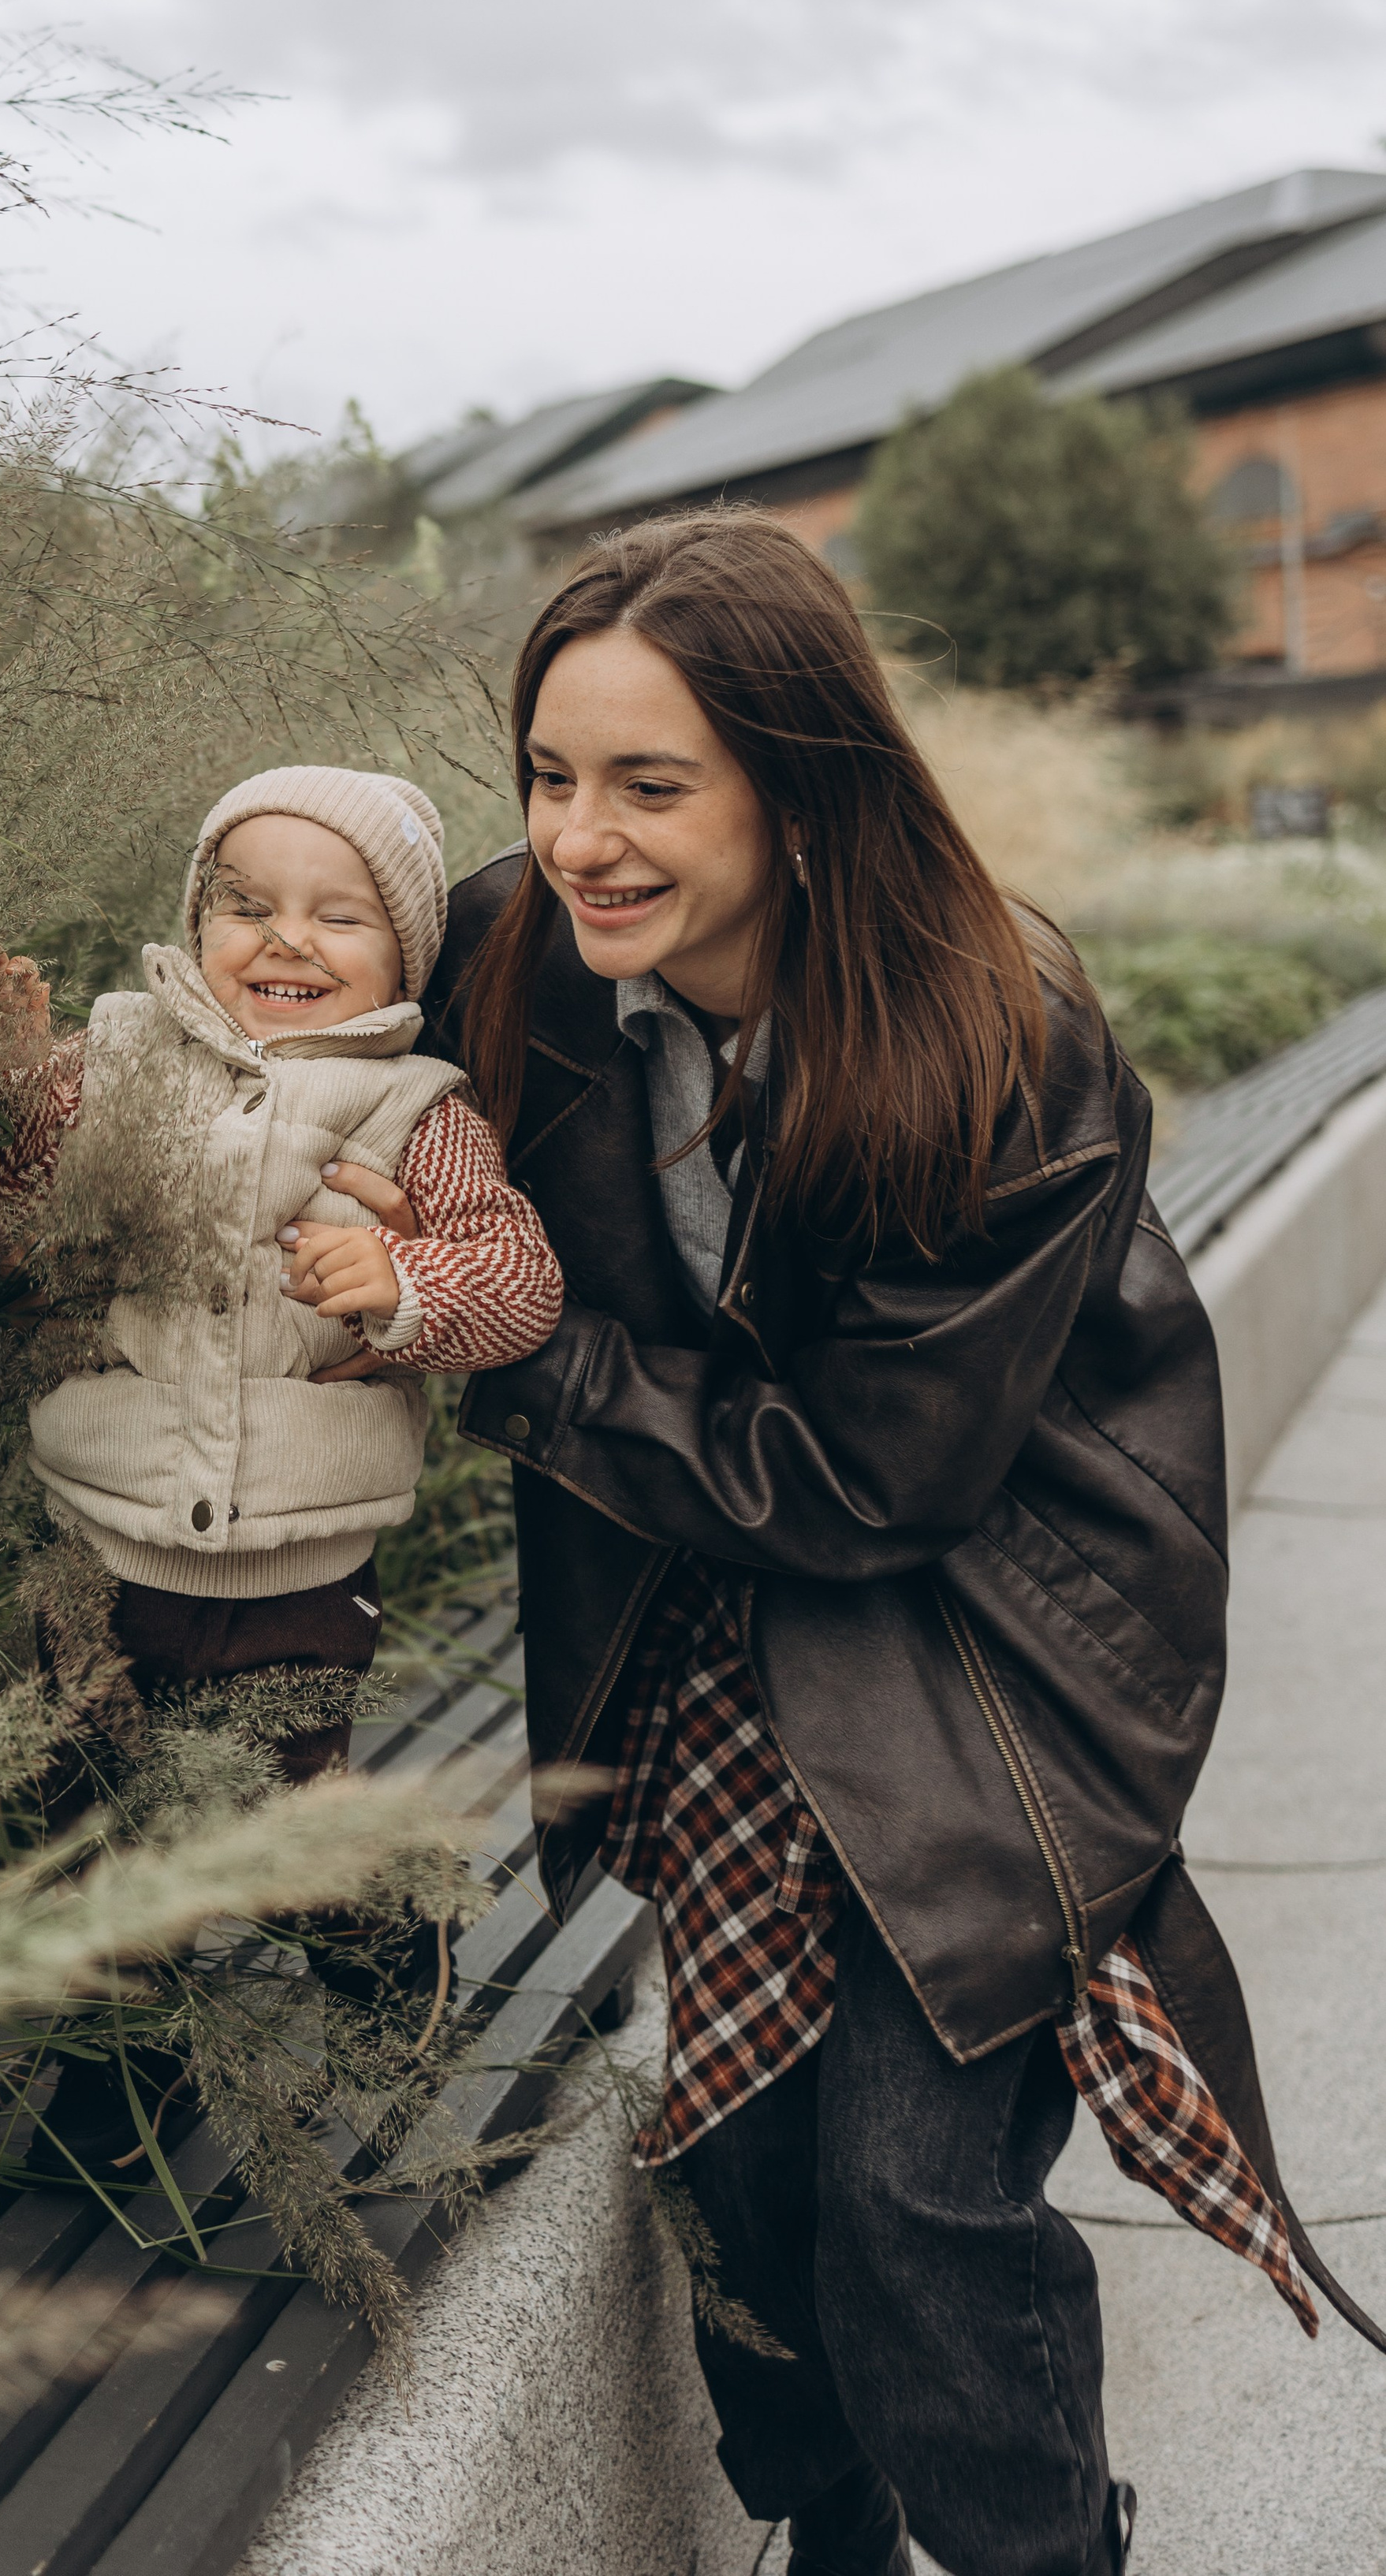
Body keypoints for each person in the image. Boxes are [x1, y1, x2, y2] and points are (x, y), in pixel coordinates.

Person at [393, 517, 1380, 2576]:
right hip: (707, 1638)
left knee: (916, 2196)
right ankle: (831, 2528)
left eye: (651, 786)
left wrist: (517, 1353)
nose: (583, 839)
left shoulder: (990, 1041)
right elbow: (296, 1049)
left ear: (806, 787)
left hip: (986, 1643)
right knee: (746, 2174)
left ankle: (1038, 2549)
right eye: (553, 776)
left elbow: (867, 1479)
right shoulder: (514, 954)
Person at [0, 763, 562, 2160]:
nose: (286, 940)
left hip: (299, 1560)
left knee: (283, 1824)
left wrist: (402, 1282)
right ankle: (122, 2087)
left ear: (407, 955)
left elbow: (520, 1286)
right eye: (248, 906)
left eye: (338, 919)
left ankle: (377, 1929)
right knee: (90, 1825)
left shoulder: (418, 1110)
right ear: (194, 918)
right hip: (98, 1540)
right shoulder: (105, 1066)